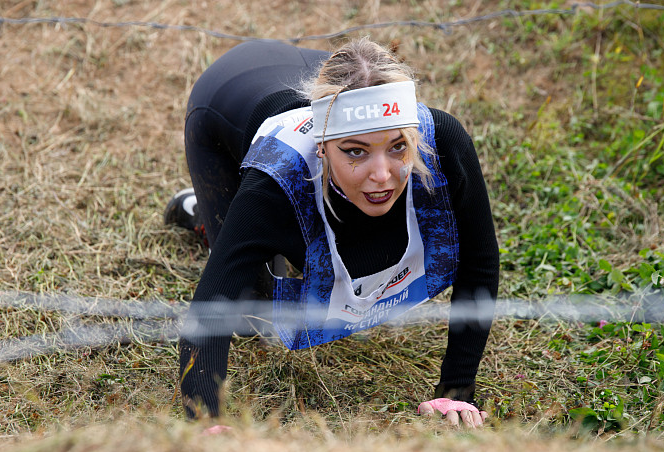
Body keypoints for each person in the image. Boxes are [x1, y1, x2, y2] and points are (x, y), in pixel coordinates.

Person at [166, 38, 499, 428]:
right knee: (250, 304)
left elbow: (480, 260)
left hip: (335, 73)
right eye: (355, 151)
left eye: (397, 147)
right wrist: (207, 425)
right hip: (225, 95)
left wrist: (457, 391)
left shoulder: (441, 138)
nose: (382, 174)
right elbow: (211, 309)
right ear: (321, 146)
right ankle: (201, 214)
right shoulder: (273, 181)